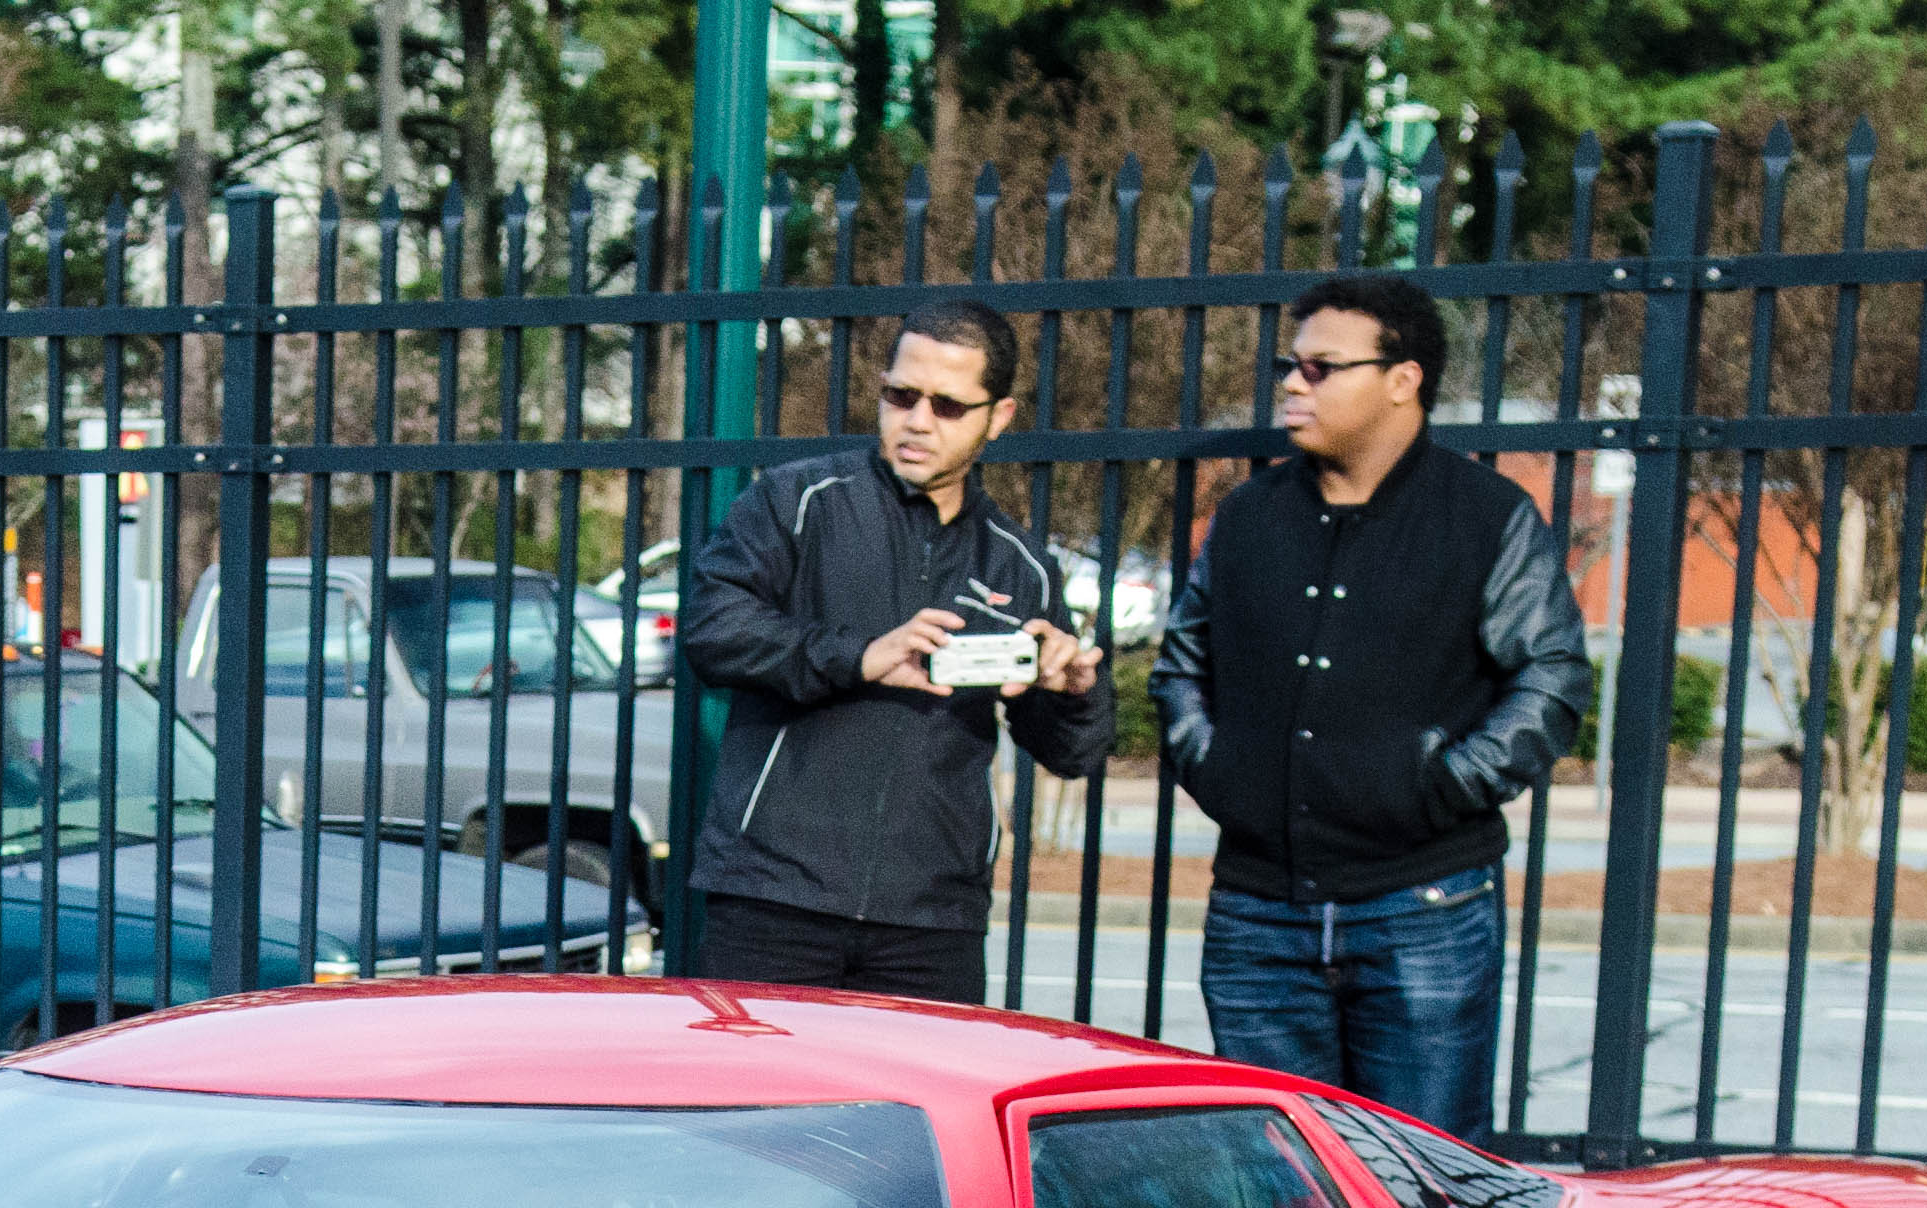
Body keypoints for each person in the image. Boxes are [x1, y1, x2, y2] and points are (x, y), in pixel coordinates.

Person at [1152, 271, 1590, 1137]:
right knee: (1276, 1188)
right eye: (1290, 364)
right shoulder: (1247, 516)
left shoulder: (1485, 516)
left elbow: (1552, 675)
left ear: (1403, 379)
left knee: (1423, 1191)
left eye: (1321, 368)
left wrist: (1439, 785)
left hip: (1422, 908)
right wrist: (1221, 770)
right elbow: (1180, 666)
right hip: (1255, 912)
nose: (1292, 383)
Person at [678, 301, 1116, 1003]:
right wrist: (858, 655)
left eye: (947, 405)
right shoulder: (799, 500)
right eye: (900, 395)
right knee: (753, 1111)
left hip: (932, 922)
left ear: (998, 418)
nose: (917, 420)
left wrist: (1069, 690)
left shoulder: (1019, 565)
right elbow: (713, 629)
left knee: (911, 1115)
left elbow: (1074, 752)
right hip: (774, 900)